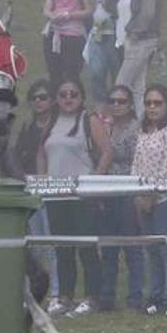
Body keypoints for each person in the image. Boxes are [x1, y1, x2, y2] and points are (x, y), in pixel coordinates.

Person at [37, 78, 110, 317]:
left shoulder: (89, 121)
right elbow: (42, 152)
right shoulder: (51, 121)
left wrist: (95, 180)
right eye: (63, 94)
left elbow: (107, 151)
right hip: (56, 196)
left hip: (81, 195)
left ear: (81, 97)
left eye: (73, 94)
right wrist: (42, 182)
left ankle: (91, 297)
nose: (68, 98)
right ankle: (65, 297)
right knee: (62, 248)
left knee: (86, 247)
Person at [132, 84, 167, 315]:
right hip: (142, 198)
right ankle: (155, 295)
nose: (152, 107)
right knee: (151, 249)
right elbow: (135, 164)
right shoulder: (143, 131)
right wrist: (136, 191)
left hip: (166, 198)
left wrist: (153, 193)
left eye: (157, 103)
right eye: (148, 103)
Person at [97, 83, 146, 311]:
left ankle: (135, 297)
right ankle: (106, 297)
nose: (116, 105)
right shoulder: (103, 127)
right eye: (113, 101)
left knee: (132, 247)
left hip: (128, 191)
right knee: (108, 248)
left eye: (122, 101)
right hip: (106, 191)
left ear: (130, 105)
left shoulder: (137, 129)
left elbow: (139, 162)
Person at [15, 78, 61, 308]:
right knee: (35, 242)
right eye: (34, 98)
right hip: (31, 189)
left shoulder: (58, 126)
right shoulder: (26, 127)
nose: (39, 102)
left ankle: (56, 293)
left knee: (51, 243)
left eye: (43, 97)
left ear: (52, 101)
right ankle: (35, 290)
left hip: (55, 189)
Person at [114, 0, 166, 105]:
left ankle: (119, 120)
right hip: (144, 38)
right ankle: (140, 121)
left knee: (121, 84)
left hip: (142, 39)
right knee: (137, 87)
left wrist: (136, 32)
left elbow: (148, 12)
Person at [41, 0, 91, 87]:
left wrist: (69, 15)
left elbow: (88, 10)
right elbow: (47, 7)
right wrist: (52, 16)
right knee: (54, 72)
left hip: (73, 34)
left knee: (71, 73)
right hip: (53, 32)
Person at [82, 0, 122, 102]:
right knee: (95, 73)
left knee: (116, 72)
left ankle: (118, 104)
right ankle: (102, 106)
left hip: (113, 30)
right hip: (97, 29)